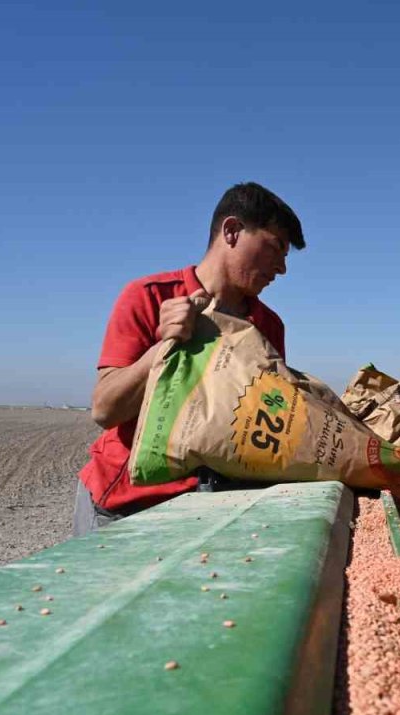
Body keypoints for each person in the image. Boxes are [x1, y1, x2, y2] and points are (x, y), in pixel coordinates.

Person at [74, 181, 304, 535]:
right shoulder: (148, 298)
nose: (282, 268)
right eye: (275, 248)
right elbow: (105, 410)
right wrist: (163, 350)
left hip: (211, 512)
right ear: (232, 231)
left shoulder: (269, 327)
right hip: (124, 508)